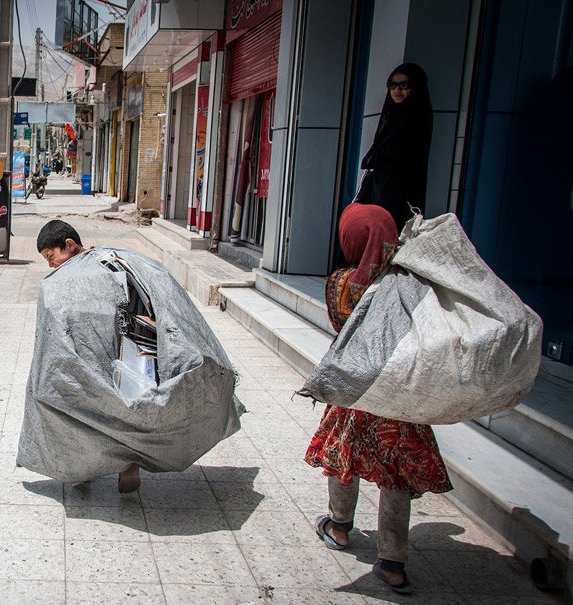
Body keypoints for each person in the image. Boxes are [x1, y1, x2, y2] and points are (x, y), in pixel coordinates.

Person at [305, 203, 452, 594]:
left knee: (343, 458)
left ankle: (338, 526)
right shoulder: (412, 286)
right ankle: (393, 563)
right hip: (399, 397)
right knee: (396, 475)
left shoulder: (341, 285)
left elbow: (341, 327)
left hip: (356, 393)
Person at [35, 219, 141, 492]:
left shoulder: (103, 264)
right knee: (110, 407)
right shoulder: (108, 262)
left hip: (106, 351)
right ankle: (110, 465)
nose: (50, 264)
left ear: (69, 245)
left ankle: (112, 466)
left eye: (51, 256)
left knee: (97, 408)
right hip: (94, 354)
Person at [355, 63, 433, 231]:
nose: (397, 90)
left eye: (403, 85)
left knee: (391, 234)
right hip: (381, 189)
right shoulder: (390, 116)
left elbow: (410, 159)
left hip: (402, 193)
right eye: (392, 85)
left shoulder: (416, 117)